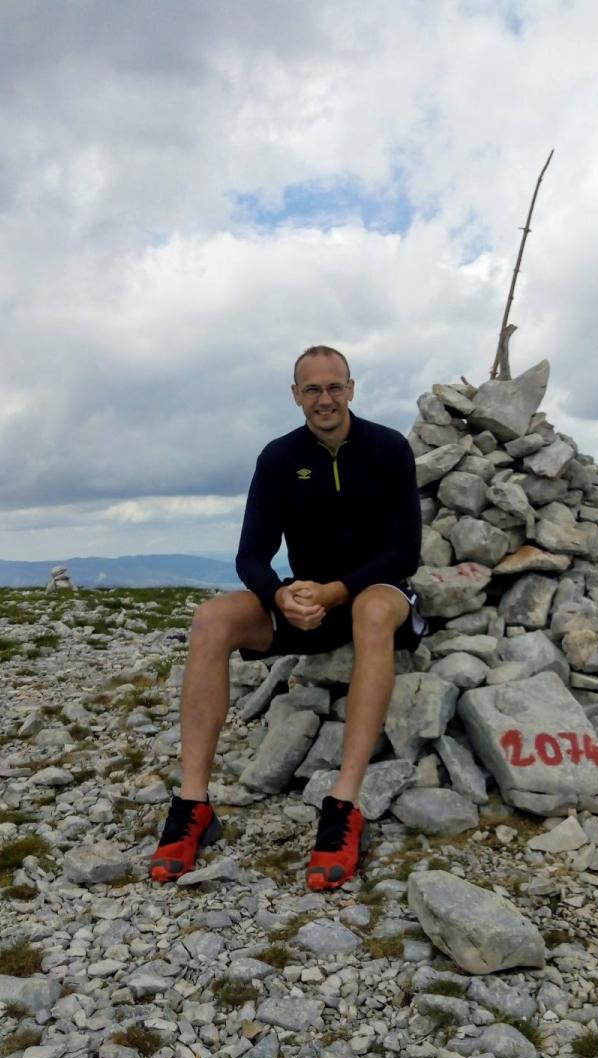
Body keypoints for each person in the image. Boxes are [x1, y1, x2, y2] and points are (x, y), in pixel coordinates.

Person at [150, 345, 427, 890]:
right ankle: (192, 805)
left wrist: (335, 591)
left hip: (376, 594)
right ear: (296, 395)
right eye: (313, 389)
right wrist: (280, 597)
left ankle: (344, 806)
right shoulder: (279, 458)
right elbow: (251, 555)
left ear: (351, 389)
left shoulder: (388, 448)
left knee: (372, 608)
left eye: (334, 387)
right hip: (305, 604)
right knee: (211, 618)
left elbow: (405, 551)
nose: (325, 399)